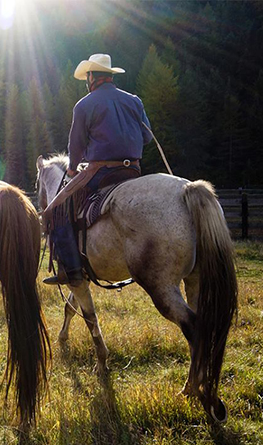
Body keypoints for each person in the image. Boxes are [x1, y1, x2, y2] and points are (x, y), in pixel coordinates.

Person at [43, 53, 153, 286]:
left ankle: (70, 269)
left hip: (101, 173)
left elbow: (76, 145)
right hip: (132, 171)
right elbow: (147, 137)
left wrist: (73, 169)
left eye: (87, 76)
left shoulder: (84, 105)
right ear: (110, 76)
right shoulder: (134, 100)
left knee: (59, 208)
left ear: (92, 76)